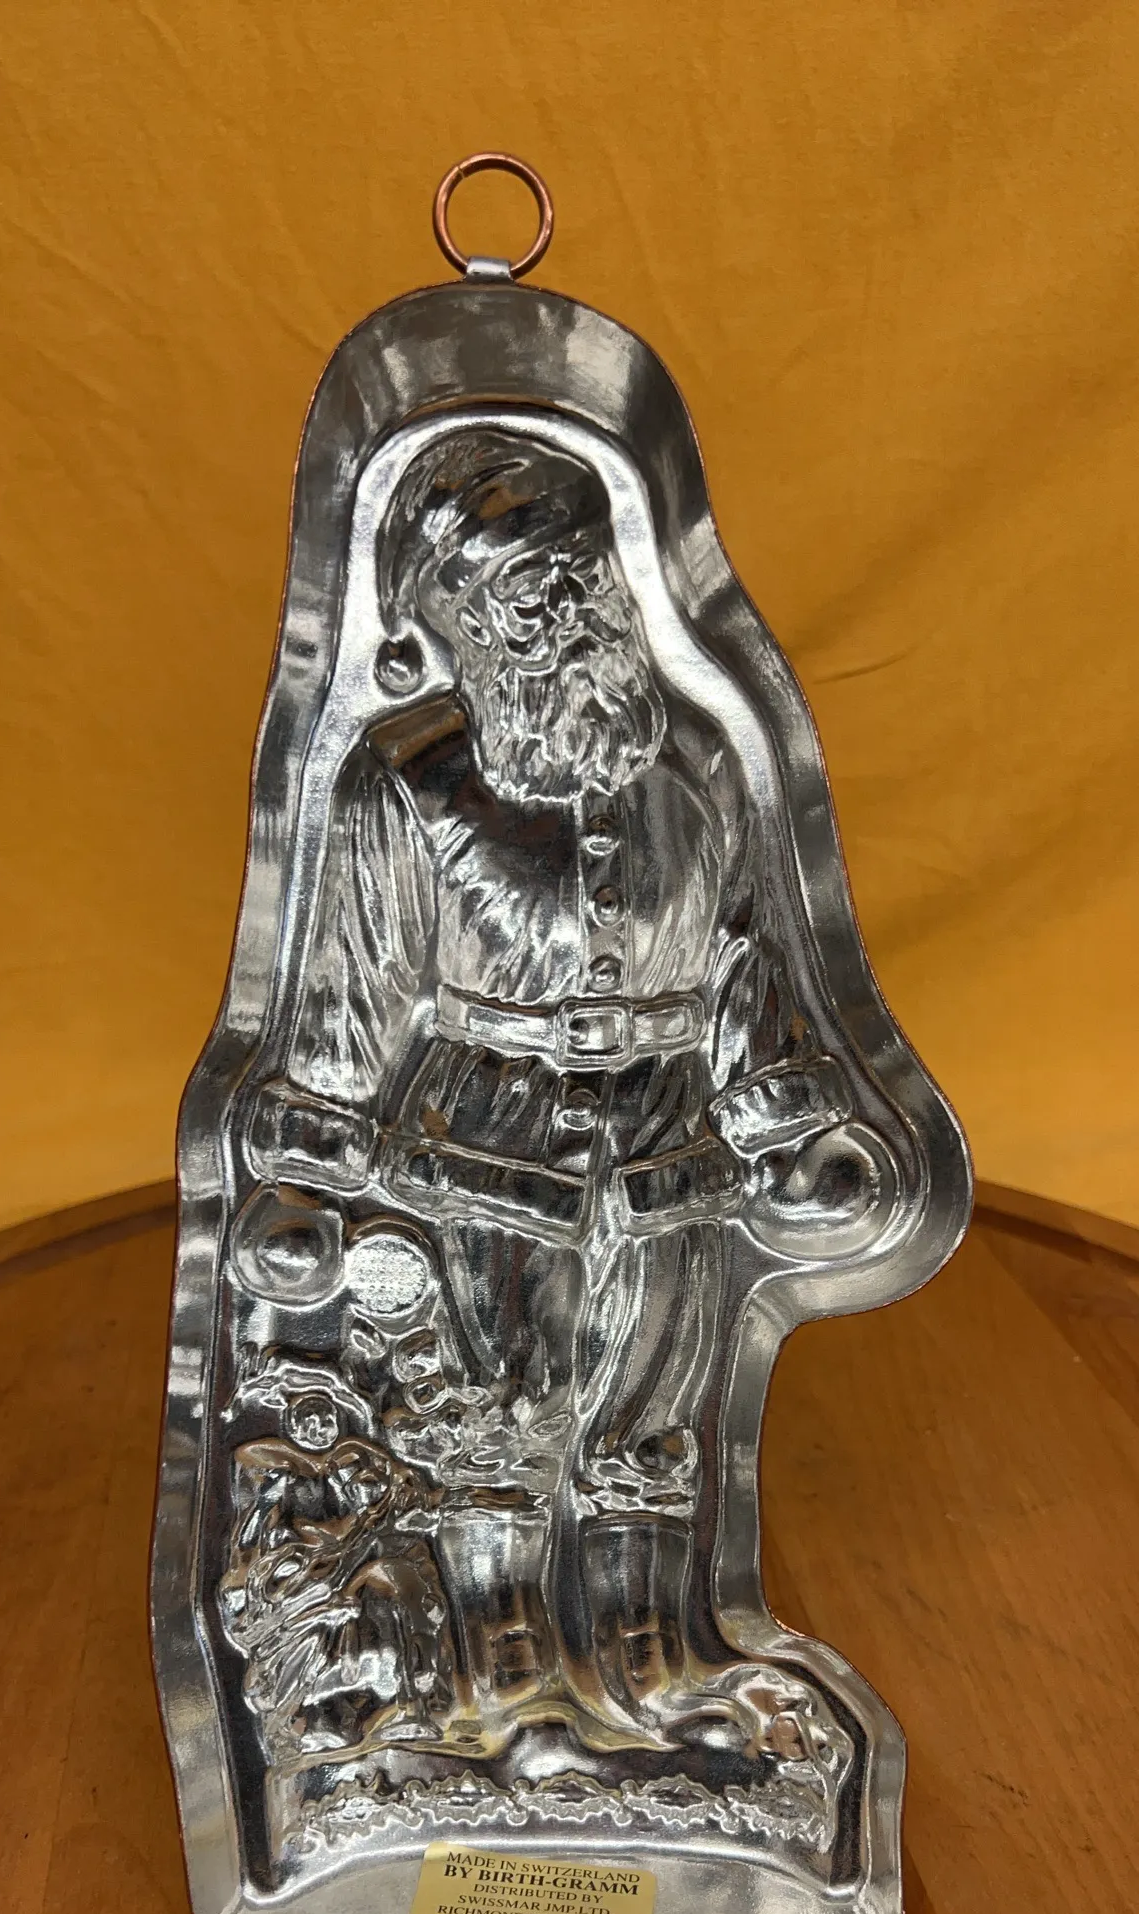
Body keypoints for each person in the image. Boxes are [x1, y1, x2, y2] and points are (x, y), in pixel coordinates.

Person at [245, 428, 888, 1748]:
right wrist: (307, 1179)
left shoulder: (703, 761)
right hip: (484, 1139)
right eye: (514, 593)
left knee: (653, 1420)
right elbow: (347, 998)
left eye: (576, 576)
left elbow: (748, 957)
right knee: (492, 1426)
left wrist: (789, 1115)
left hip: (671, 1138)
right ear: (456, 623)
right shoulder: (402, 781)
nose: (560, 613)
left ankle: (655, 1672)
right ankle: (508, 1690)